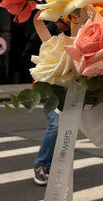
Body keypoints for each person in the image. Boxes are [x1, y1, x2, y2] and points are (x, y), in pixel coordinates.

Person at [22, 18, 70, 186]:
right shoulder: (45, 31)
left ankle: (54, 164)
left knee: (66, 127)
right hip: (48, 86)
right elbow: (27, 58)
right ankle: (42, 164)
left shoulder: (79, 30)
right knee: (56, 124)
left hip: (70, 87)